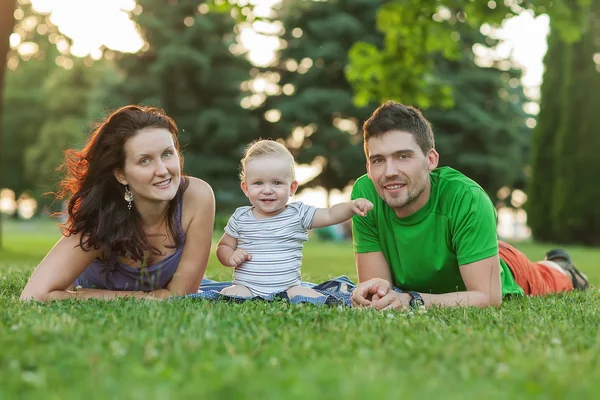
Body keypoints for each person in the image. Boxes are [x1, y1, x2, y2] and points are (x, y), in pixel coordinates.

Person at [350, 101, 589, 310]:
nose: (390, 172)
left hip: (501, 266)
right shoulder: (364, 194)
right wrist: (379, 296)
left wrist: (413, 300)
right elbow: (378, 291)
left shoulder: (467, 198)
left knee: (551, 278)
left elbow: (487, 297)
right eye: (378, 160)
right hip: (460, 254)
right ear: (368, 166)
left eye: (403, 156)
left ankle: (562, 267)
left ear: (430, 160)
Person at [20, 105, 215, 301]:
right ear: (121, 174)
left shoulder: (198, 197)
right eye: (145, 161)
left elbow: (181, 294)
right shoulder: (101, 216)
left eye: (167, 154)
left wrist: (87, 296)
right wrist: (147, 297)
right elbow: (33, 294)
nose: (163, 170)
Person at [216, 139, 373, 299]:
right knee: (231, 294)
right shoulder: (241, 217)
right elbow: (223, 246)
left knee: (306, 295)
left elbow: (330, 214)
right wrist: (229, 256)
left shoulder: (298, 214)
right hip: (247, 287)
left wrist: (351, 206)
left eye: (277, 183)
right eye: (258, 183)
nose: (268, 190)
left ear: (292, 188)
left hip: (288, 289)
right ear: (246, 188)